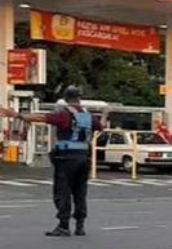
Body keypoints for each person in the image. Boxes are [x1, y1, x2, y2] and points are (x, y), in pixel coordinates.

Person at [1, 86, 105, 237]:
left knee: (63, 192)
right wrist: (106, 114)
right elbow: (101, 126)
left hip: (66, 158)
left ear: (66, 99)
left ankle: (63, 226)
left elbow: (41, 118)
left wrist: (18, 115)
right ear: (79, 99)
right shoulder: (89, 116)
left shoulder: (64, 115)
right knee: (80, 192)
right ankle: (80, 226)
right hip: (83, 157)